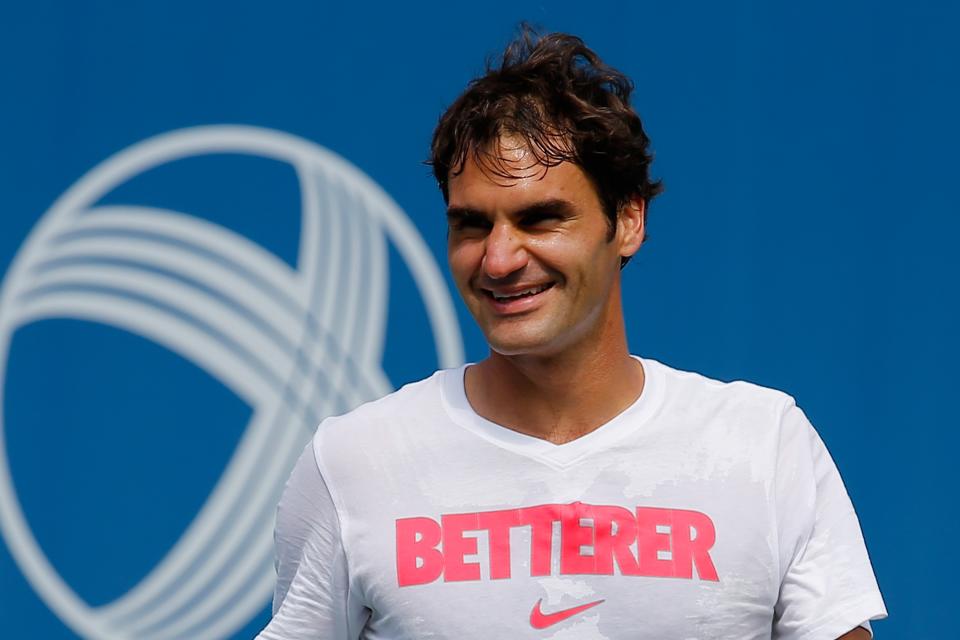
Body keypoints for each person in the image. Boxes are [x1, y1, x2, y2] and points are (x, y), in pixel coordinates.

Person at [257, 27, 887, 639]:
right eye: (472, 225)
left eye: (540, 218)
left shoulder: (762, 444)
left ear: (629, 220)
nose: (499, 259)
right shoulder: (354, 460)